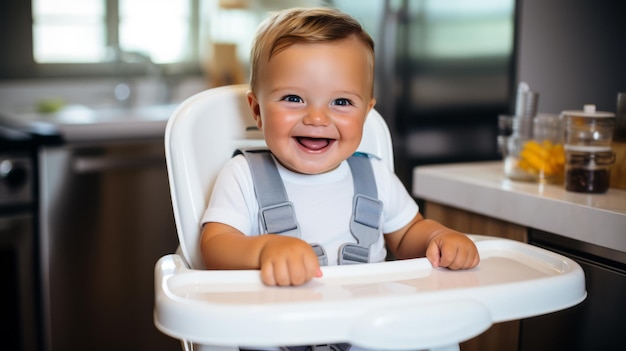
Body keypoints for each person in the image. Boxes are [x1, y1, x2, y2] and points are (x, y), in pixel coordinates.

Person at [200, 7, 479, 287]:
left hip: (369, 322)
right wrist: (263, 250)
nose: (317, 118)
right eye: (294, 98)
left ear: (366, 114)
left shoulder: (376, 176)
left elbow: (408, 235)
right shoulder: (243, 176)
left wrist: (437, 239)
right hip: (283, 325)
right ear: (257, 111)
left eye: (342, 102)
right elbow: (215, 246)